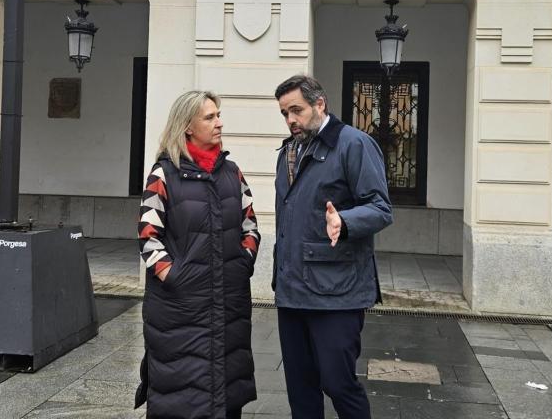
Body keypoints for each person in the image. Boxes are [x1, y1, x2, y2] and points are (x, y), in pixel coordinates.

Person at [272, 74, 393, 419]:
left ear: (320, 104)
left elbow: (380, 208)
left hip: (337, 293)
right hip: (291, 291)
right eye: (284, 113)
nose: (290, 119)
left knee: (338, 384)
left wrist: (346, 220)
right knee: (300, 390)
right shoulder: (288, 151)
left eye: (296, 110)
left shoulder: (354, 144)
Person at [134, 90, 260, 419]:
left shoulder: (233, 173)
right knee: (182, 400)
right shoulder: (164, 175)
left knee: (226, 398)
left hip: (229, 305)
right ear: (187, 126)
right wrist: (174, 277)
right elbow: (148, 235)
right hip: (179, 311)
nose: (219, 123)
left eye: (218, 115)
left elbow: (250, 226)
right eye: (210, 117)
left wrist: (242, 264)